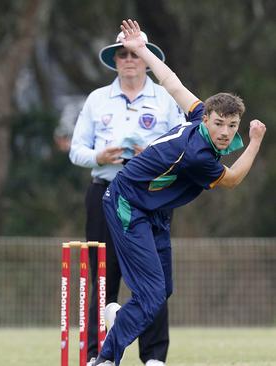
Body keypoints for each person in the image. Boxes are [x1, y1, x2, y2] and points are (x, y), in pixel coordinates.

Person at [89, 20, 267, 366]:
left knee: (162, 291)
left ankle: (120, 318)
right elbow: (231, 181)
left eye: (233, 126)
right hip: (127, 203)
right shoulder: (198, 155)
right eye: (218, 124)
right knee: (152, 293)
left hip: (152, 209)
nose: (225, 133)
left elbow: (172, 83)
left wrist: (142, 49)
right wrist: (256, 141)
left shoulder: (200, 112)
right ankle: (106, 359)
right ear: (205, 120)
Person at [69, 27, 185, 366]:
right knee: (103, 276)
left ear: (147, 60)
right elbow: (77, 150)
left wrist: (149, 155)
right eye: (123, 54)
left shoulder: (165, 100)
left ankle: (153, 357)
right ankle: (96, 354)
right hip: (104, 191)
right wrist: (100, 156)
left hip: (151, 196)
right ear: (115, 61)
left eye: (136, 53)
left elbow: (182, 148)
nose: (130, 60)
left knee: (154, 279)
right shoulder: (96, 100)